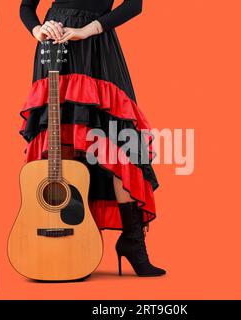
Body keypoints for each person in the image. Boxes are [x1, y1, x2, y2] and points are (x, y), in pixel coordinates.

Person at [18, 0, 166, 277]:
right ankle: (72, 242)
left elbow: (135, 5)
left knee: (119, 142)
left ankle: (133, 242)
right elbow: (26, 6)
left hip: (96, 44)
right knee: (65, 145)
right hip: (53, 47)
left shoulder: (93, 34)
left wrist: (87, 30)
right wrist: (38, 30)